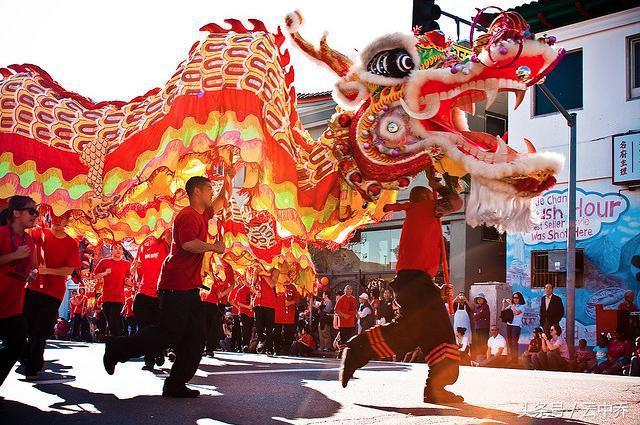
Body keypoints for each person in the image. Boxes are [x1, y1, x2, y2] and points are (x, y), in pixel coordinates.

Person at [340, 183, 464, 403]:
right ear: (426, 198)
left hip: (413, 282)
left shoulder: (416, 214)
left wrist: (435, 291)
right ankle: (436, 386)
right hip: (416, 282)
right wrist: (443, 186)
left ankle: (358, 349)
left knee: (410, 333)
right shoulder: (426, 208)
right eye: (430, 195)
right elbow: (456, 203)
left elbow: (415, 271)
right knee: (439, 333)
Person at [104, 176, 226, 398]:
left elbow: (220, 202)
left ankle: (175, 384)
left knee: (196, 338)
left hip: (189, 287)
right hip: (175, 285)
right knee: (166, 334)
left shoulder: (202, 213)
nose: (212, 192)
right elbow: (188, 244)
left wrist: (228, 177)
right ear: (196, 192)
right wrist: (214, 247)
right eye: (209, 188)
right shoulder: (187, 215)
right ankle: (116, 348)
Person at [22, 213, 80, 380]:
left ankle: (32, 367)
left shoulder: (71, 243)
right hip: (32, 287)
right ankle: (29, 356)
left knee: (40, 330)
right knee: (24, 326)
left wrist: (48, 271)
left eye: (61, 218)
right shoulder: (39, 233)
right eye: (54, 217)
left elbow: (69, 270)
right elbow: (24, 232)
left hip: (53, 293)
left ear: (67, 221)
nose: (56, 221)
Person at [0, 196, 38, 388]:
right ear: (16, 213)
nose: (35, 215)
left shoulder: (30, 241)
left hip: (13, 308)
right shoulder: (1, 234)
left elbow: (29, 268)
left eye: (36, 212)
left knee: (18, 343)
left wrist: (30, 275)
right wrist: (14, 255)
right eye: (31, 211)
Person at [130, 231, 170, 371]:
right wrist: (134, 268)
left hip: (161, 292)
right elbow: (134, 267)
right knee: (144, 326)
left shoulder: (165, 240)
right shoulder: (142, 245)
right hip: (143, 291)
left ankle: (158, 350)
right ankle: (149, 358)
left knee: (157, 327)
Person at [94, 243, 131, 337]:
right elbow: (95, 276)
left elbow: (129, 280)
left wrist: (128, 281)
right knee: (111, 321)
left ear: (122, 251)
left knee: (113, 320)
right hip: (106, 297)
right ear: (111, 251)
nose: (118, 250)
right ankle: (119, 338)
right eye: (115, 248)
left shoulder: (126, 264)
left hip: (119, 297)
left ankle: (116, 341)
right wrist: (105, 273)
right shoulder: (104, 262)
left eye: (120, 248)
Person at [203, 260, 234, 357]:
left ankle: (209, 348)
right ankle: (200, 347)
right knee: (201, 325)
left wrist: (222, 294)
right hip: (201, 297)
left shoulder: (226, 265)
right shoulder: (205, 259)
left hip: (215, 301)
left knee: (213, 325)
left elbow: (232, 284)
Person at [252, 268, 277, 355]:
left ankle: (269, 348)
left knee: (269, 328)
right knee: (258, 326)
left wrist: (263, 274)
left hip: (270, 303)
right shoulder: (257, 269)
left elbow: (272, 284)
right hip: (258, 303)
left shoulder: (275, 271)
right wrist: (256, 292)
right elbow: (252, 284)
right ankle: (262, 340)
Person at [274, 280, 300, 355]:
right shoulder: (276, 285)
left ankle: (286, 350)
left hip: (289, 314)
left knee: (288, 333)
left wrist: (291, 302)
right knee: (276, 332)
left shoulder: (292, 287)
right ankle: (276, 349)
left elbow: (297, 298)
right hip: (277, 314)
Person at [502, 292, 525, 364]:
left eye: (516, 298)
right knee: (509, 342)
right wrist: (503, 303)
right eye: (514, 298)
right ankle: (512, 358)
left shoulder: (521, 306)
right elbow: (503, 312)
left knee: (514, 343)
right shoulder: (511, 306)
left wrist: (511, 305)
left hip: (516, 326)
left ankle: (515, 360)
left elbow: (517, 313)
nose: (515, 299)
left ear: (520, 298)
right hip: (509, 325)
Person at [334, 285, 357, 352]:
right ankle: (341, 352)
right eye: (347, 289)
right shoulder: (341, 299)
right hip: (342, 323)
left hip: (350, 323)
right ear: (344, 290)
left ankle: (347, 352)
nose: (349, 290)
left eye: (350, 289)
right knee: (343, 338)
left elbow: (354, 309)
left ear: (352, 291)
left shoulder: (353, 299)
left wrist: (350, 315)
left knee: (349, 339)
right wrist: (344, 315)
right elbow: (336, 310)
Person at [234, 278, 255, 352]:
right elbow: (238, 303)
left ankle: (248, 345)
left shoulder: (253, 289)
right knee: (245, 329)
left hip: (252, 314)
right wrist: (248, 307)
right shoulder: (240, 290)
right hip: (244, 313)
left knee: (250, 330)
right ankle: (244, 345)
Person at [472, 293, 490, 358]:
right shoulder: (476, 307)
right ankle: (479, 356)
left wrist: (476, 315)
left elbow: (480, 314)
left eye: (480, 298)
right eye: (478, 299)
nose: (479, 300)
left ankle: (484, 355)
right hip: (477, 327)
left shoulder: (485, 306)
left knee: (484, 341)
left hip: (484, 327)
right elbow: (474, 316)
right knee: (478, 342)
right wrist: (477, 315)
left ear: (484, 299)